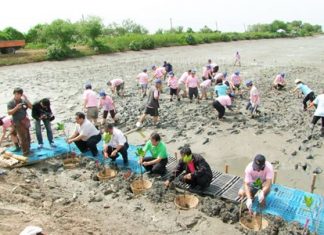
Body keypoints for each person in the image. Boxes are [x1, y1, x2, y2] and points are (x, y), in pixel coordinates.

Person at [7, 88, 32, 156]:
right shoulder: (11, 102)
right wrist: (16, 108)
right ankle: (25, 152)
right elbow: (9, 113)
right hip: (17, 122)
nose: (16, 95)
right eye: (15, 94)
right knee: (21, 137)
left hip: (24, 121)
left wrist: (26, 99)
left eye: (18, 94)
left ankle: (28, 149)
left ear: (21, 95)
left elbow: (31, 107)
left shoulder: (23, 101)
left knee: (27, 136)